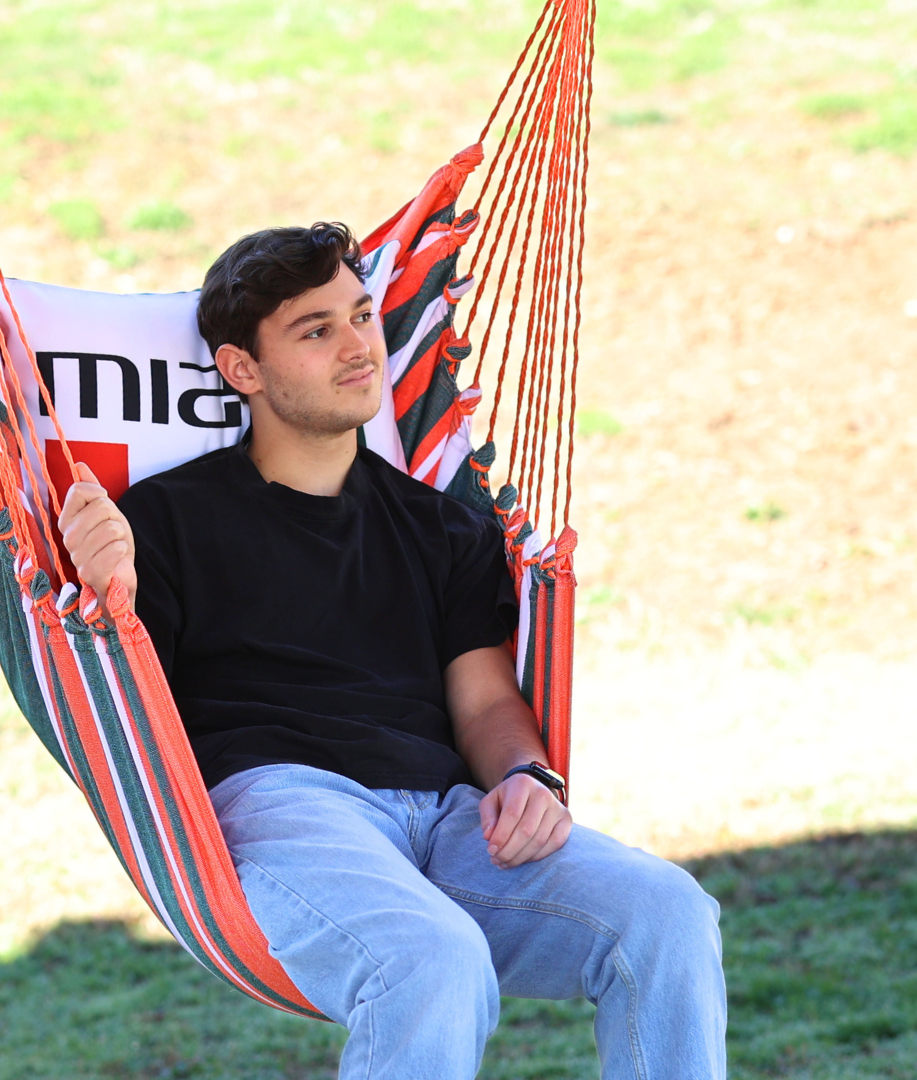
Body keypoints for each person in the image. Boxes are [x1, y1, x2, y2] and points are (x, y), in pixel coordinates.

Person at [56, 222, 727, 1079]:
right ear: (241, 370)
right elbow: (125, 697)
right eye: (316, 329)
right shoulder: (164, 522)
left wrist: (527, 776)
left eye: (363, 315)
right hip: (286, 811)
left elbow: (485, 702)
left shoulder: (444, 525)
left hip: (447, 820)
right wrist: (109, 595)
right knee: (429, 959)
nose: (357, 347)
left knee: (667, 913)